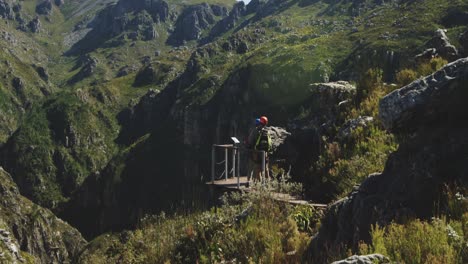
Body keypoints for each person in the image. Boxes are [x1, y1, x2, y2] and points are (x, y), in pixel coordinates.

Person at [246, 116, 272, 183]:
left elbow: (251, 141)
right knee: (266, 168)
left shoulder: (256, 130)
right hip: (265, 152)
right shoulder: (267, 131)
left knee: (257, 168)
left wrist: (248, 145)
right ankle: (267, 182)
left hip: (257, 153)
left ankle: (258, 185)